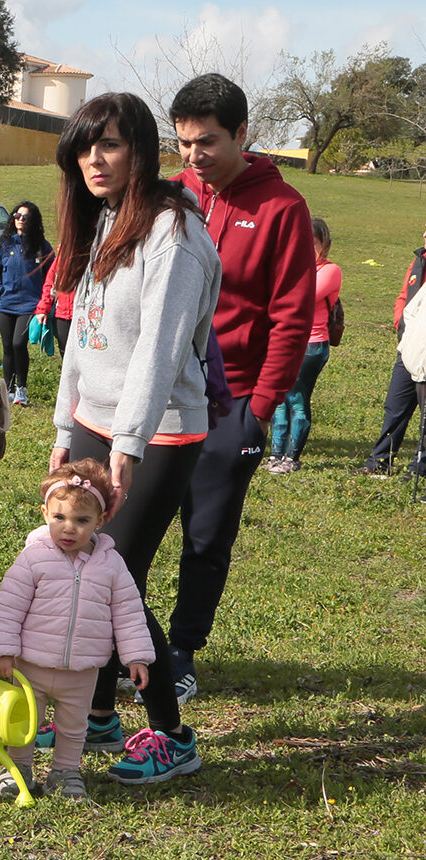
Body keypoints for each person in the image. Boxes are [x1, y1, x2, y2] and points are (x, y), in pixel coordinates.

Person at [47, 91, 220, 785]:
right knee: (87, 571)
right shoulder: (108, 219)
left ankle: (173, 737)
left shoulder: (172, 234)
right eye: (84, 147)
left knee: (114, 579)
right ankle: (96, 715)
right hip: (96, 422)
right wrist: (67, 426)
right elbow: (81, 336)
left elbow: (158, 350)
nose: (94, 159)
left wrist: (127, 445)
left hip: (158, 433)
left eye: (110, 144)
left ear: (141, 151)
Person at [167, 73, 317, 700]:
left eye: (206, 141)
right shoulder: (174, 195)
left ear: (242, 134)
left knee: (206, 535)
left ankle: (181, 649)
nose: (194, 155)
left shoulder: (283, 208)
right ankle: (126, 641)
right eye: (183, 143)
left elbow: (292, 315)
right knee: (128, 527)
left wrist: (258, 409)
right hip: (163, 393)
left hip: (233, 404)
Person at [0, 460, 154, 802]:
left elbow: (128, 611)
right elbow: (9, 606)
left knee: (74, 726)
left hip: (82, 670)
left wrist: (136, 656)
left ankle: (65, 771)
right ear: (45, 513)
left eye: (81, 521)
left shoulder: (111, 564)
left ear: (100, 521)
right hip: (31, 665)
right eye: (59, 517)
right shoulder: (34, 558)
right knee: (23, 720)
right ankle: (18, 768)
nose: (68, 528)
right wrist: (2, 651)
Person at [267, 217, 342, 473]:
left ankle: (292, 457)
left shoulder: (330, 271)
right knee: (278, 397)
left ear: (324, 244)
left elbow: (302, 297)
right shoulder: (290, 267)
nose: (306, 248)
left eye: (313, 243)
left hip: (311, 344)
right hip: (283, 340)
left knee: (297, 398)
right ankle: (276, 454)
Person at [359, 224, 426, 475]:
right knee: (395, 406)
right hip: (409, 346)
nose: (424, 235)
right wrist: (400, 322)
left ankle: (420, 468)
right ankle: (380, 462)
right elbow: (403, 295)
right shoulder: (418, 261)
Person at [0, 201, 52, 407]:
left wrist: (44, 301)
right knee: (7, 348)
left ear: (33, 221)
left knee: (18, 344)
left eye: (25, 217)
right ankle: (9, 390)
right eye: (17, 215)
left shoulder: (42, 246)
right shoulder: (4, 244)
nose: (20, 219)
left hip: (30, 305)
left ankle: (21, 389)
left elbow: (52, 275)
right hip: (6, 304)